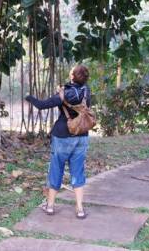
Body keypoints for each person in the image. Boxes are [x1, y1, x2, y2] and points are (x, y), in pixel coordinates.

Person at [24, 64, 91, 219]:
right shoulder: (87, 92)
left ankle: (50, 206)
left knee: (56, 169)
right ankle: (80, 209)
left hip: (62, 136)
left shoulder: (64, 93)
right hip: (81, 135)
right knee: (78, 171)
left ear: (73, 76)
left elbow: (41, 105)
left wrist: (29, 97)